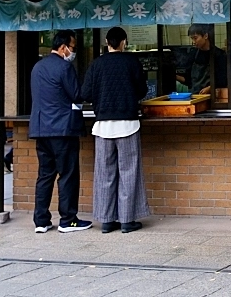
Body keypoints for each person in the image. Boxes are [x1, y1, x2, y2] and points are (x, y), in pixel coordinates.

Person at [81, 27, 150, 234]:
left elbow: (85, 93)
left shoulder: (96, 64)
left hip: (102, 127)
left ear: (106, 41)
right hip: (128, 124)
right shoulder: (131, 62)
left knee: (105, 173)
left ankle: (107, 220)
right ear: (124, 42)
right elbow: (142, 90)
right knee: (129, 172)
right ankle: (127, 221)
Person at [29, 29, 91, 234]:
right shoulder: (65, 67)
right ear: (63, 47)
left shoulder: (37, 67)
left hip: (41, 128)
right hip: (63, 129)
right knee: (68, 174)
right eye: (72, 47)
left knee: (45, 175)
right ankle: (68, 220)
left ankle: (41, 220)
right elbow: (76, 95)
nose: (73, 51)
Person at [182, 24, 228, 95]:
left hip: (212, 98)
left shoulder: (219, 55)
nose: (193, 42)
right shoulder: (193, 54)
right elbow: (188, 79)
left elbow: (223, 79)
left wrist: (211, 87)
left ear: (206, 36)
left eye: (195, 38)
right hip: (195, 96)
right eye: (192, 39)